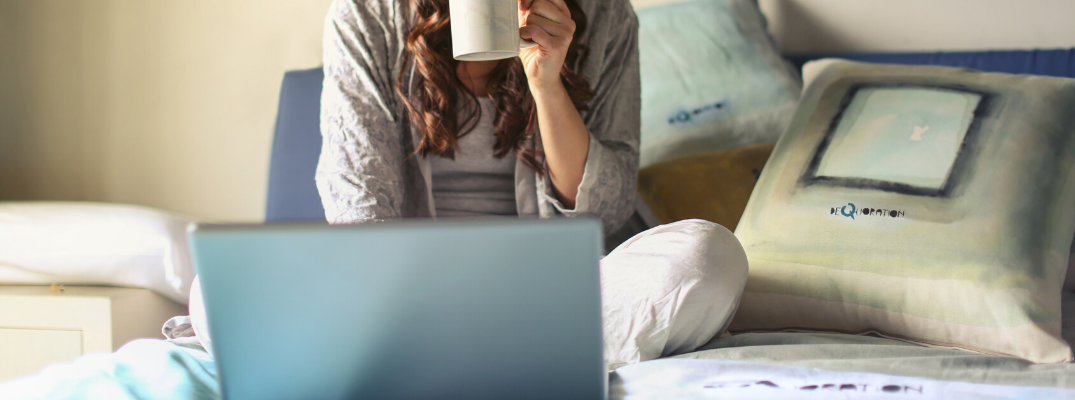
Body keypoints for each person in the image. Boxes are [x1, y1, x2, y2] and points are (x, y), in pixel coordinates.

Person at [325, 0, 748, 369]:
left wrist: (547, 85)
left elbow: (604, 215)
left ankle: (463, 353)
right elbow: (359, 211)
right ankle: (526, 350)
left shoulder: (606, 15)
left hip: (555, 288)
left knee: (708, 258)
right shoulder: (367, 14)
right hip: (419, 294)